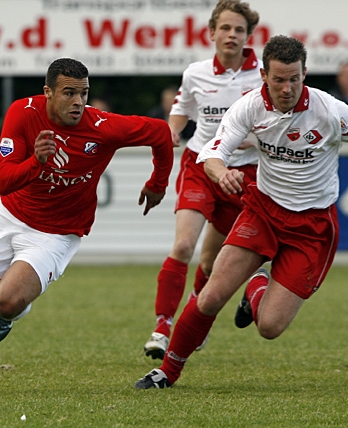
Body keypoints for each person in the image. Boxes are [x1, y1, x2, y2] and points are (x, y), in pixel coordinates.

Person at [135, 35, 348, 389]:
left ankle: (257, 284)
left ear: (305, 74)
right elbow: (212, 153)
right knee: (212, 295)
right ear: (264, 75)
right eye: (279, 79)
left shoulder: (329, 111)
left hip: (312, 227)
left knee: (269, 327)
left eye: (294, 79)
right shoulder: (249, 107)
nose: (287, 88)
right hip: (262, 212)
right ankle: (166, 372)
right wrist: (223, 173)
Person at [0, 57, 175, 393]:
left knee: (6, 300)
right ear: (48, 93)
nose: (78, 102)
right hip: (10, 215)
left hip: (57, 233)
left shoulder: (101, 126)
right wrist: (35, 162)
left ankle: (10, 312)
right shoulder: (22, 113)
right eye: (69, 93)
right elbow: (3, 182)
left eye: (83, 93)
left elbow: (161, 133)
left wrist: (158, 182)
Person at [142, 0, 262, 360]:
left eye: (239, 30)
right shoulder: (195, 73)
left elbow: (283, 123)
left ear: (247, 36)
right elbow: (181, 112)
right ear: (212, 33)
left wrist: (253, 139)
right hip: (200, 164)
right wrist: (171, 134)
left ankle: (192, 320)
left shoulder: (264, 76)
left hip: (242, 174)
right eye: (225, 28)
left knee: (211, 264)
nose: (231, 35)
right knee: (182, 246)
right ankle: (162, 328)